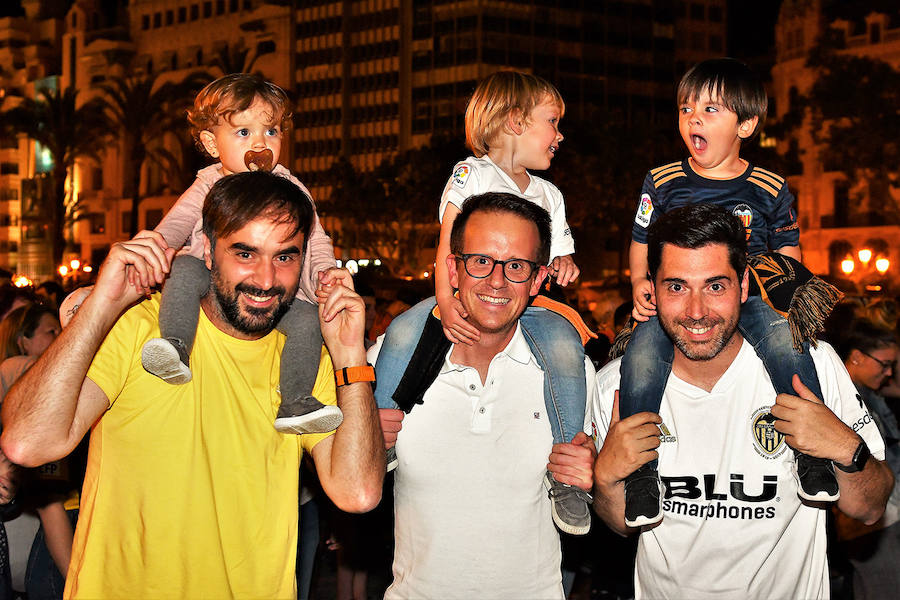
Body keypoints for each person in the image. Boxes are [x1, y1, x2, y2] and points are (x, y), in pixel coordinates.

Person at [0, 171, 385, 598]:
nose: (265, 279)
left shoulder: (303, 358)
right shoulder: (139, 327)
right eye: (245, 252)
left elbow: (359, 492)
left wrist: (350, 355)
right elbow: (27, 443)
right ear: (206, 249)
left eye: (285, 257)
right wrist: (103, 304)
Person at [592, 204, 893, 599]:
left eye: (716, 286)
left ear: (745, 286)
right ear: (652, 288)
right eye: (677, 287)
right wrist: (606, 479)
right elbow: (622, 524)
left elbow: (870, 507)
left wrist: (843, 447)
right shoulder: (616, 385)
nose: (696, 312)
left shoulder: (814, 365)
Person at [620, 57, 841, 526]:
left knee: (787, 343)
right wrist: (641, 282)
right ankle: (641, 472)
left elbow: (788, 247)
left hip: (754, 295)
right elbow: (642, 239)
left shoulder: (768, 185)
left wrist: (789, 301)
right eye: (686, 108)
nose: (693, 118)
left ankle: (812, 453)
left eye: (710, 109)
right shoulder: (662, 180)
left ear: (746, 124)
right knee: (640, 353)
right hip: (676, 298)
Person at [373, 71, 594, 535]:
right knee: (403, 331)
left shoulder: (549, 195)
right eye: (552, 122)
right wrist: (445, 300)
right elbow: (445, 244)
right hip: (456, 293)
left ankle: (567, 470)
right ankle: (382, 434)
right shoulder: (471, 173)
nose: (560, 134)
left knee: (565, 349)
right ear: (515, 121)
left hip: (528, 307)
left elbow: (557, 255)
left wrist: (564, 265)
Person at [70, 73, 340, 436]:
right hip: (204, 276)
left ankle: (295, 400)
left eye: (271, 131)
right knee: (183, 268)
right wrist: (156, 248)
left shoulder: (290, 187)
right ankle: (176, 346)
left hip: (265, 298)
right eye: (244, 133)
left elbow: (316, 237)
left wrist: (324, 272)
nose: (261, 143)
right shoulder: (209, 182)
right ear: (213, 144)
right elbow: (179, 221)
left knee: (308, 320)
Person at [373, 193, 596, 598]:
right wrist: (364, 438)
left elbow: (606, 488)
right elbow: (344, 483)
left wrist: (593, 469)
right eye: (480, 261)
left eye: (516, 266)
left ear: (538, 279)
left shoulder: (572, 373)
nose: (496, 281)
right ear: (452, 270)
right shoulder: (390, 361)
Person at [838, 319, 900, 600]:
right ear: (856, 356)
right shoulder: (839, 396)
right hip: (869, 521)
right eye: (884, 364)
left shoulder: (869, 393)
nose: (889, 373)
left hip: (888, 512)